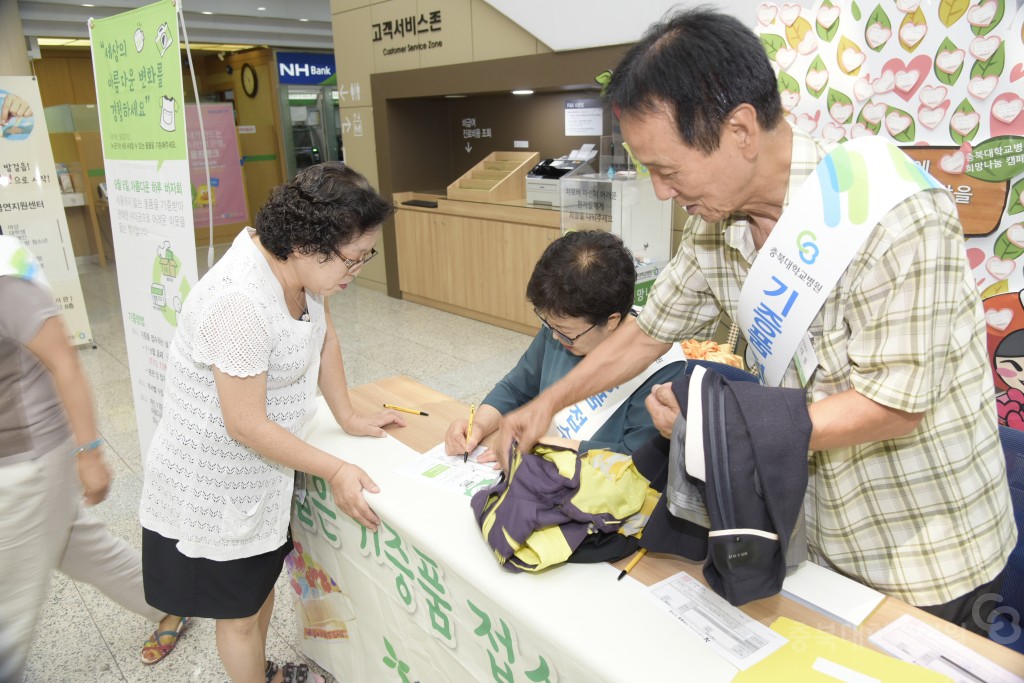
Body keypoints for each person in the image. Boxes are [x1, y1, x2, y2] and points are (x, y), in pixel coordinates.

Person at [496, 8, 1016, 634]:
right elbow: (648, 330)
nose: (661, 192)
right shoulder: (716, 222)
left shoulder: (893, 215)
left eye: (666, 168)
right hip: (808, 528)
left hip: (919, 549)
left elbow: (892, 405)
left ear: (740, 129)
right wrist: (547, 404)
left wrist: (710, 432)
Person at [138, 162, 405, 683]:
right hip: (215, 484)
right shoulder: (239, 301)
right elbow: (245, 424)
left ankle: (264, 673)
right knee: (236, 616)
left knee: (258, 590)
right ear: (306, 244)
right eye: (352, 260)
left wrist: (346, 414)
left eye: (364, 256)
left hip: (262, 474)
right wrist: (335, 467)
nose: (357, 271)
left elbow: (322, 336)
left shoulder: (298, 274)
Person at [0, 235, 186, 682]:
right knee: (82, 549)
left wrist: (88, 453)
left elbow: (65, 363)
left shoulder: (6, 280)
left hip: (27, 461)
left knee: (7, 606)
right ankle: (169, 602)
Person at [444, 230, 684, 461]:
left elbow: (634, 456)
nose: (555, 338)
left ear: (611, 320)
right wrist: (479, 425)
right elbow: (516, 388)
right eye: (550, 326)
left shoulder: (661, 366)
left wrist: (543, 448)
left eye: (566, 333)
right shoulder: (561, 328)